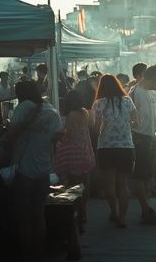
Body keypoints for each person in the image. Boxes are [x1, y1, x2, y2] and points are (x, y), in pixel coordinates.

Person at [9, 80, 63, 260]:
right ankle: (39, 254)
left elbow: (11, 134)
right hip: (44, 169)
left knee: (24, 217)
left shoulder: (24, 107)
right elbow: (56, 137)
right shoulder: (51, 110)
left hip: (24, 169)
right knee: (39, 214)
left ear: (21, 94)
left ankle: (27, 255)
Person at [91, 74, 137, 228]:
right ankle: (122, 217)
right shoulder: (127, 101)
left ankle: (114, 212)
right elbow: (136, 122)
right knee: (123, 184)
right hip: (126, 146)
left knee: (109, 185)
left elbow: (96, 129)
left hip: (106, 147)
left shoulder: (99, 103)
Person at [54, 90, 95, 232]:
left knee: (73, 186)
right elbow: (90, 126)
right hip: (85, 150)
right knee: (84, 184)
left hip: (72, 152)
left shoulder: (69, 115)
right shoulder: (84, 112)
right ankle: (83, 214)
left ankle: (77, 215)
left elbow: (68, 133)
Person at [130, 65, 156, 224]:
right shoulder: (135, 92)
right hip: (139, 138)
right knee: (140, 175)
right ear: (150, 78)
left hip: (151, 138)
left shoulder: (154, 94)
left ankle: (147, 208)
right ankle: (145, 210)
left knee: (146, 175)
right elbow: (131, 118)